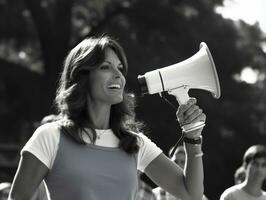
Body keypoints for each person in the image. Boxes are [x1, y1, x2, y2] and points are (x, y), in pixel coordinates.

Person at [8, 35, 206, 200]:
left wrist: (192, 137)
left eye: (120, 68)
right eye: (105, 67)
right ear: (81, 76)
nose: (118, 75)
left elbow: (191, 195)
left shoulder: (136, 143)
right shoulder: (50, 136)